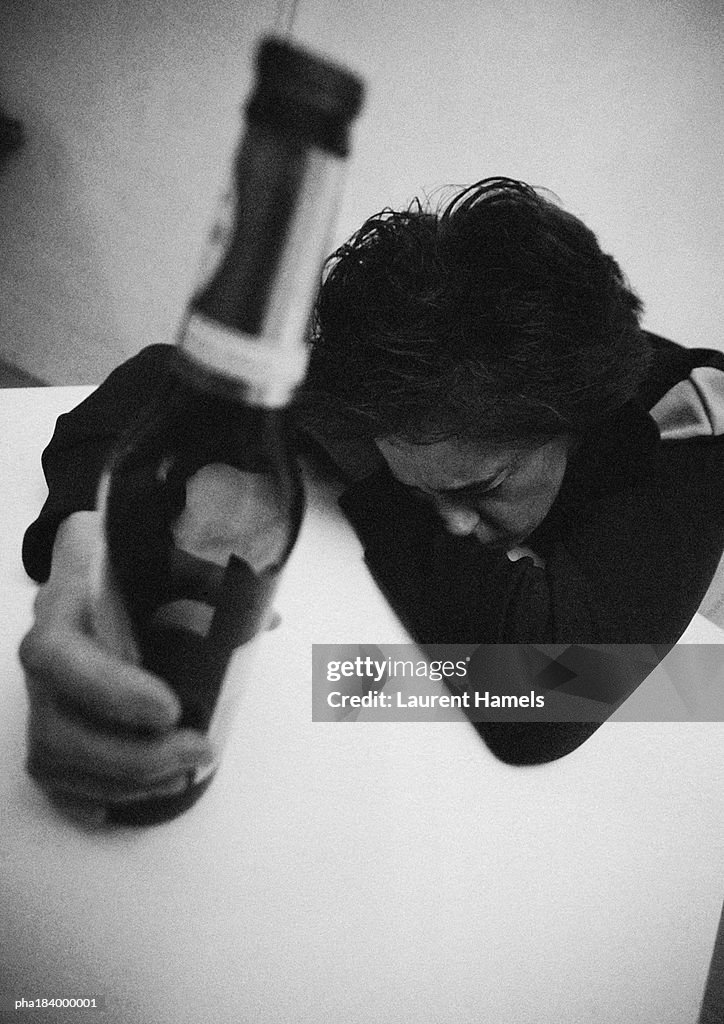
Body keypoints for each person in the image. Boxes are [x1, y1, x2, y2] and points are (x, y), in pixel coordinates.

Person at [19, 178, 724, 817]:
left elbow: (544, 692)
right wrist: (81, 555)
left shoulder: (691, 421)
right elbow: (156, 383)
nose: (451, 520)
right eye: (417, 481)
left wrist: (372, 476)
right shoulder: (394, 371)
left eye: (483, 486)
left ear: (579, 426)